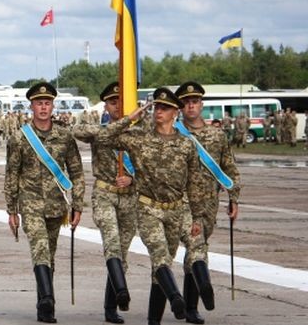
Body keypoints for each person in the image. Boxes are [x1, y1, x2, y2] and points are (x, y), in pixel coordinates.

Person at [108, 88, 202, 325]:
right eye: (156, 107)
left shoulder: (186, 145)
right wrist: (130, 118)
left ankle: (154, 320)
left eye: (165, 108)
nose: (159, 111)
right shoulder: (139, 137)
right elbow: (106, 137)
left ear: (175, 113)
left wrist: (197, 217)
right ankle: (176, 297)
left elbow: (194, 184)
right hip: (147, 208)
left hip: (175, 210)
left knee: (162, 267)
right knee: (159, 255)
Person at [4, 82, 86, 323]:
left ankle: (43, 306)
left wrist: (77, 205)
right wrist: (12, 210)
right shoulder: (20, 138)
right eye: (39, 103)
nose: (43, 107)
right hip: (30, 204)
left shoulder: (65, 136)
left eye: (47, 103)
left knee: (49, 256)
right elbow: (12, 175)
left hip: (56, 206)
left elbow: (77, 172)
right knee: (39, 249)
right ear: (31, 106)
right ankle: (49, 298)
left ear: (52, 106)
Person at [72, 82, 148, 324]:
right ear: (105, 105)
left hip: (130, 198)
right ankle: (122, 291)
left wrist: (133, 178)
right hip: (105, 194)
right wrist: (125, 121)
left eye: (122, 101)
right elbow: (79, 131)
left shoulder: (143, 132)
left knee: (122, 254)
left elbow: (153, 168)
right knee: (111, 243)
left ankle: (110, 306)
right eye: (113, 102)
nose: (118, 106)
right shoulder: (98, 129)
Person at [176, 81, 242, 324]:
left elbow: (230, 169)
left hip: (208, 205)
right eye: (186, 102)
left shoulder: (217, 136)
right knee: (197, 247)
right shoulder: (173, 134)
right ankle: (197, 298)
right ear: (181, 107)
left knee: (194, 252)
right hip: (181, 204)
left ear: (201, 105)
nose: (191, 106)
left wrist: (233, 198)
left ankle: (186, 305)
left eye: (195, 101)